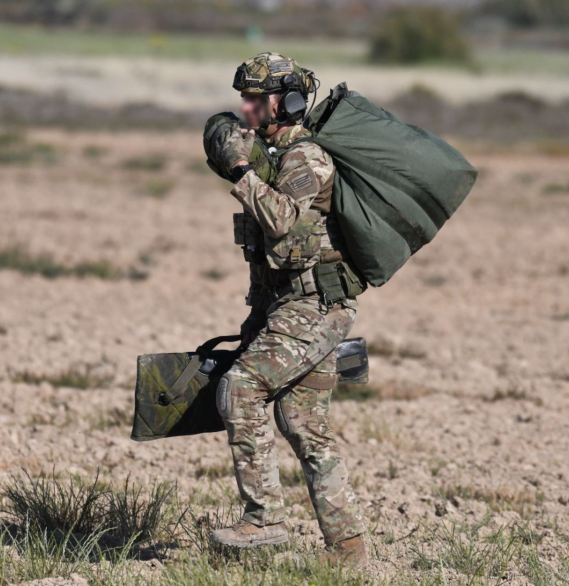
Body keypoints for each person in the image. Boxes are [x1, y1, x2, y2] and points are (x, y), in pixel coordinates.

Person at [208, 52, 368, 566]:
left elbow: (280, 220)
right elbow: (268, 256)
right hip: (291, 305)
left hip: (315, 305)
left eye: (256, 99)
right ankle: (347, 552)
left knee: (242, 388)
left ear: (287, 102)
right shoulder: (274, 158)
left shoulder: (307, 160)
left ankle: (264, 519)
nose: (246, 109)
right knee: (302, 423)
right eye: (244, 99)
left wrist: (238, 166)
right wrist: (257, 320)